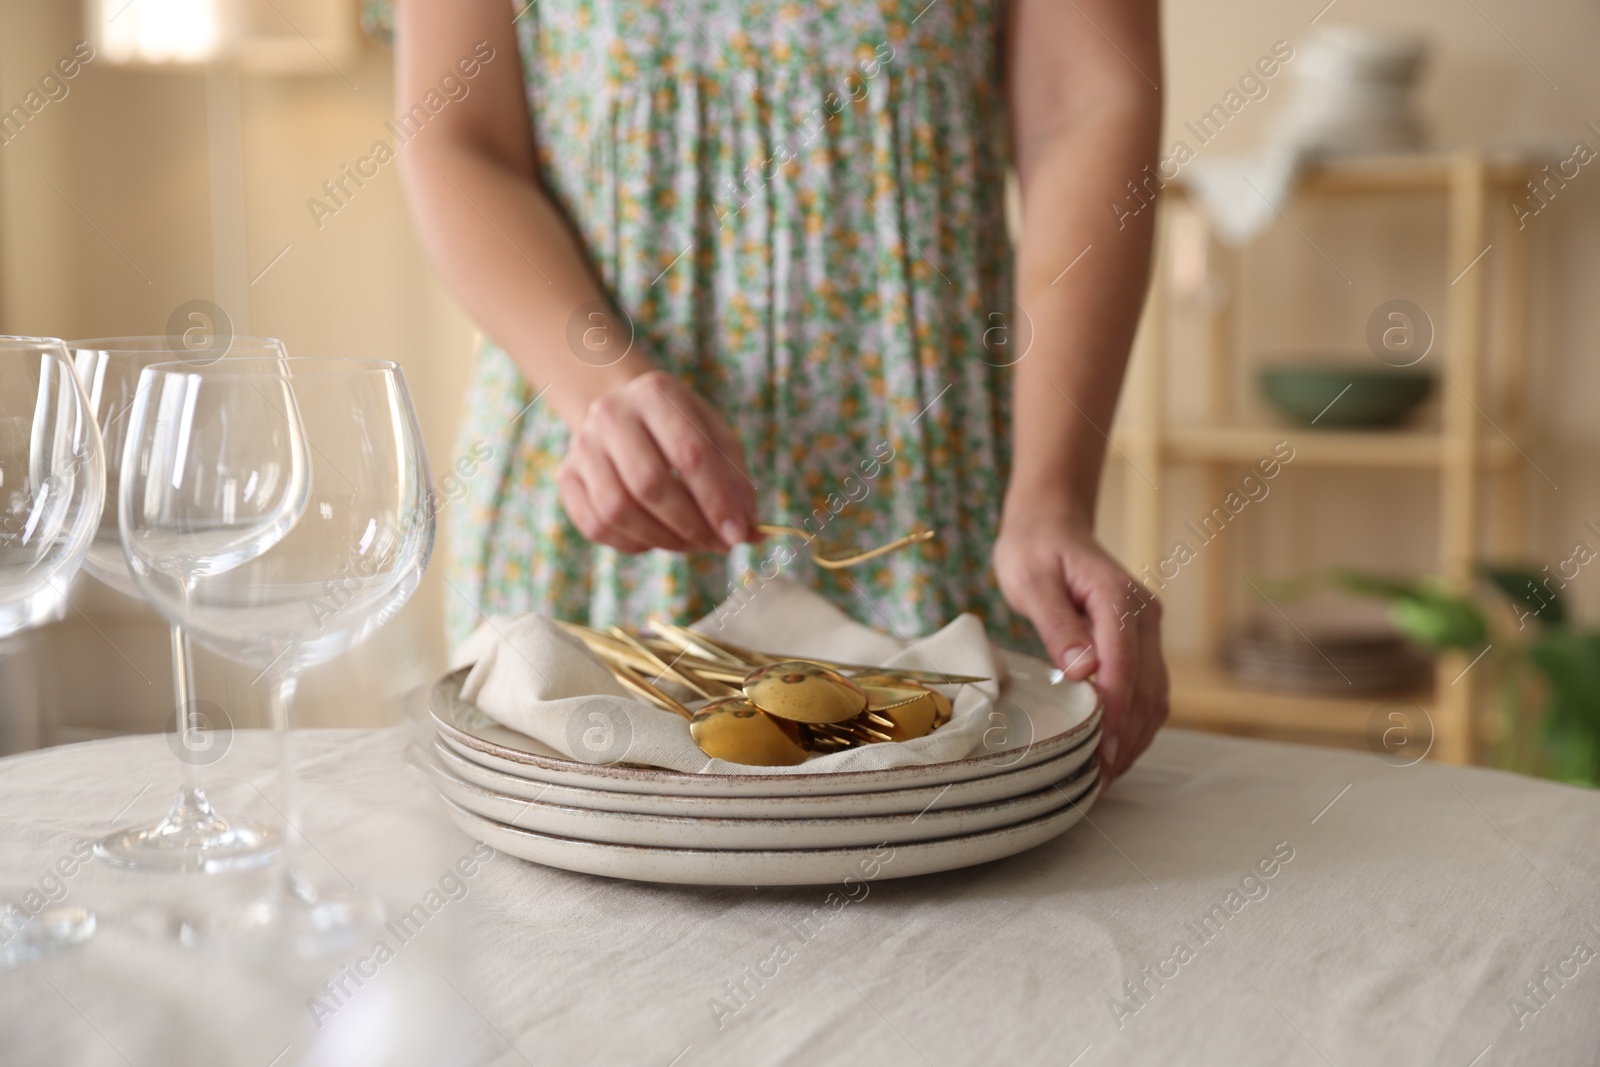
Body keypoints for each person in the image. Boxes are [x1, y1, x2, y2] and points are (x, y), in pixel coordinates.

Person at [396, 0, 1168, 782]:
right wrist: (601, 385)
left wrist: (1052, 495)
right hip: (594, 503)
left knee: (951, 864)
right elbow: (459, 137)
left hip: (948, 511)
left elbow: (1087, 105)